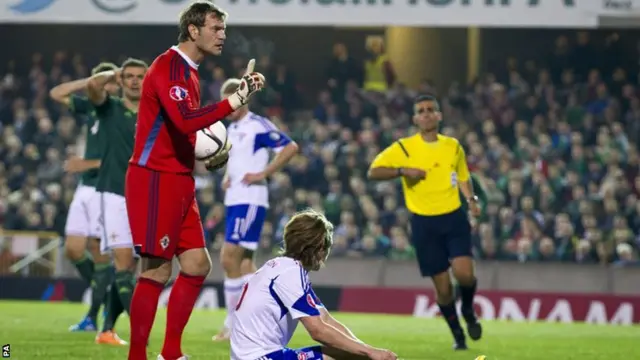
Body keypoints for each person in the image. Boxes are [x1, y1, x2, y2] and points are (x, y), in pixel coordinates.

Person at [124, 1, 265, 359]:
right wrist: (235, 100)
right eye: (216, 28)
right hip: (155, 177)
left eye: (223, 29)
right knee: (156, 270)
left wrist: (208, 155)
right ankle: (137, 355)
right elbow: (187, 120)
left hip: (179, 177)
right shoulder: (170, 66)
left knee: (198, 265)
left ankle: (171, 354)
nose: (223, 35)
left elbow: (180, 129)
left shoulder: (190, 71)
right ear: (193, 30)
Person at [367, 94, 482, 350]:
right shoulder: (404, 148)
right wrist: (402, 171)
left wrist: (471, 200)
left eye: (431, 109)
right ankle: (458, 337)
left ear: (439, 115)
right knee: (443, 290)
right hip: (424, 223)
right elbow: (373, 171)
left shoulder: (453, 146)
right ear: (415, 118)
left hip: (453, 217)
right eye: (422, 111)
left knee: (464, 274)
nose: (427, 114)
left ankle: (469, 312)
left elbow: (463, 176)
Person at [230, 208, 398, 360]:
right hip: (262, 357)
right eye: (326, 246)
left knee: (347, 352)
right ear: (317, 248)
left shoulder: (281, 266)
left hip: (255, 356)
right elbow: (318, 331)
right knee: (340, 355)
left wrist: (366, 350)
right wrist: (369, 352)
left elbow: (326, 319)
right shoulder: (291, 274)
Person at [212, 78, 299, 342]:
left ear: (245, 100)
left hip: (250, 200)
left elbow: (290, 147)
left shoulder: (257, 125)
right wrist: (228, 174)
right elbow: (238, 159)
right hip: (235, 199)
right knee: (246, 264)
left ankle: (233, 324)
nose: (231, 107)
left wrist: (264, 173)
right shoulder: (232, 128)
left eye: (235, 102)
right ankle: (269, 315)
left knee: (229, 259)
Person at [49, 62, 119, 333]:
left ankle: (93, 316)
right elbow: (57, 93)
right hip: (85, 188)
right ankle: (104, 289)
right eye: (100, 83)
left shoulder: (121, 112)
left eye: (108, 82)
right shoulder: (91, 108)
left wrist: (86, 164)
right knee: (73, 249)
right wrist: (88, 81)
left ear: (116, 85)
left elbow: (124, 158)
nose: (103, 87)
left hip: (106, 188)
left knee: (99, 254)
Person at [85, 57, 148, 346]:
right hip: (114, 194)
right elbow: (91, 86)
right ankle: (140, 334)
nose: (135, 80)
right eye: (129, 76)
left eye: (140, 76)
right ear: (120, 81)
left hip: (146, 195)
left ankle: (107, 329)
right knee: (123, 265)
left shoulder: (154, 111)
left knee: (134, 268)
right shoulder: (109, 108)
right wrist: (112, 72)